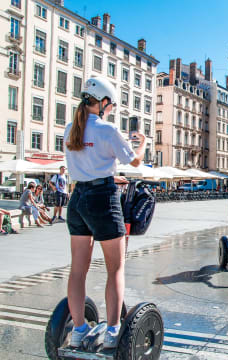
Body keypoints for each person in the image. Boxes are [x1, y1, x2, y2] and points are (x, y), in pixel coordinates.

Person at [64, 77, 146, 348]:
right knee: (115, 268)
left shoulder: (68, 130)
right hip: (102, 198)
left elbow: (87, 164)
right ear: (103, 103)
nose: (110, 110)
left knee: (78, 271)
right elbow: (134, 161)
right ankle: (112, 331)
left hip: (77, 199)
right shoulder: (108, 130)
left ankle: (78, 330)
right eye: (110, 105)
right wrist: (142, 143)